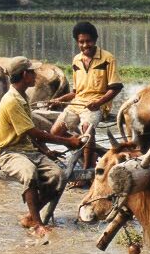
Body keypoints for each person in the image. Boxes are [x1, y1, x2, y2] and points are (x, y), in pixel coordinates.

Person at [0, 57, 69, 239]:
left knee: (59, 176)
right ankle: (38, 224)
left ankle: (29, 216)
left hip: (27, 149)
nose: (35, 75)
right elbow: (34, 132)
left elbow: (28, 132)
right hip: (8, 151)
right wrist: (68, 142)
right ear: (25, 75)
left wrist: (46, 151)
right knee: (29, 171)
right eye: (33, 72)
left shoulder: (23, 96)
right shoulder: (12, 101)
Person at [47, 21, 123, 178]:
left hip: (97, 104)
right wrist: (60, 99)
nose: (85, 45)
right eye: (81, 42)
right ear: (77, 42)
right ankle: (80, 145)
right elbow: (76, 92)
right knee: (55, 131)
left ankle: (87, 170)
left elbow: (115, 88)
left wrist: (99, 103)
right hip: (77, 103)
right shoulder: (76, 60)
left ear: (95, 40)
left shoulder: (107, 59)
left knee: (87, 129)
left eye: (88, 41)